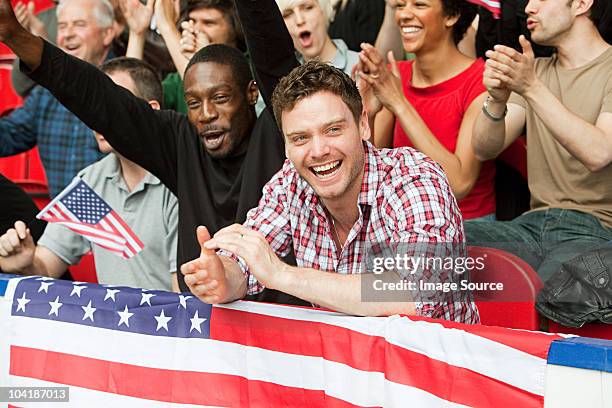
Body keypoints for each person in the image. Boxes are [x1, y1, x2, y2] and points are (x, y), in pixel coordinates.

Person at [0, 0, 296, 294]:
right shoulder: (179, 145)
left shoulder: (279, 133)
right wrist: (16, 36)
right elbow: (95, 95)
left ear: (252, 94)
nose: (206, 114)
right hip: (202, 331)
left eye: (220, 98)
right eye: (193, 103)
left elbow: (274, 56)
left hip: (275, 328)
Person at [179, 60, 478, 323]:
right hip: (349, 370)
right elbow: (243, 267)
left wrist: (283, 275)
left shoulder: (412, 176)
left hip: (438, 373)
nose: (319, 150)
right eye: (300, 138)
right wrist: (221, 277)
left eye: (333, 130)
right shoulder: (290, 182)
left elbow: (416, 293)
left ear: (363, 125)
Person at [0, 57, 179, 292]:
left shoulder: (181, 178)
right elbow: (45, 268)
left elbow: (185, 301)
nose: (98, 117)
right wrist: (24, 264)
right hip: (114, 327)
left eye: (112, 104)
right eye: (95, 105)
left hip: (172, 327)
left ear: (151, 109)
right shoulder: (92, 181)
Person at [466, 0, 612, 281]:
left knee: (549, 292)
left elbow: (598, 153)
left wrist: (530, 87)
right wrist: (496, 101)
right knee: (431, 248)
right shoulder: (537, 71)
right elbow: (484, 149)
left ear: (581, 4)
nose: (528, 8)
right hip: (530, 227)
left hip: (595, 230)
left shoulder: (537, 79)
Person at [356, 0, 495, 221]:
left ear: (451, 16)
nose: (404, 15)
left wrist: (400, 104)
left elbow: (459, 185)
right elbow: (370, 177)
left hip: (467, 226)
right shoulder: (395, 76)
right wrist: (368, 113)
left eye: (419, 5)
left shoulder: (481, 79)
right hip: (403, 221)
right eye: (401, 5)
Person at [0, 0, 117, 197]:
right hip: (63, 224)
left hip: (119, 223)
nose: (68, 33)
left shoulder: (126, 86)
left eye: (79, 24)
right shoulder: (46, 94)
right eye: (62, 26)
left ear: (108, 33)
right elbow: (9, 136)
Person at [121, 0, 246, 114]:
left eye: (209, 23)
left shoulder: (249, 66)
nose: (196, 29)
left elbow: (208, 91)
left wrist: (166, 25)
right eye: (192, 21)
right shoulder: (176, 80)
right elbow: (131, 105)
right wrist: (137, 34)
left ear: (234, 30)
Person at [276, 0, 359, 75]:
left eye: (308, 8)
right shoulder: (283, 78)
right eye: (287, 15)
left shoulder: (363, 69)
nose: (299, 20)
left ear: (323, 10)